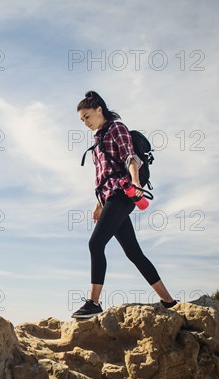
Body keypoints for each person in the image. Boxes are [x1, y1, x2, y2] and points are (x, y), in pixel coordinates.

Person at [72, 90, 178, 319]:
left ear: (99, 110)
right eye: (82, 120)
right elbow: (102, 174)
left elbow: (130, 158)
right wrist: (98, 204)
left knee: (95, 244)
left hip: (122, 193)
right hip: (109, 197)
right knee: (133, 252)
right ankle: (169, 301)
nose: (85, 123)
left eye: (87, 116)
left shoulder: (116, 128)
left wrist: (136, 182)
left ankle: (93, 303)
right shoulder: (97, 138)